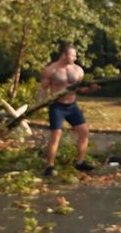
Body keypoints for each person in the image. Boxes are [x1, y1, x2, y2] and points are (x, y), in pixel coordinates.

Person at [38, 43, 97, 176]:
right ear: (64, 55)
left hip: (72, 106)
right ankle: (50, 166)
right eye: (73, 55)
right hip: (57, 106)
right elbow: (43, 89)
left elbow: (81, 89)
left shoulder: (78, 70)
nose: (75, 58)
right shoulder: (51, 70)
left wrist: (91, 89)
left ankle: (80, 162)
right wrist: (39, 104)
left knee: (84, 132)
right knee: (56, 136)